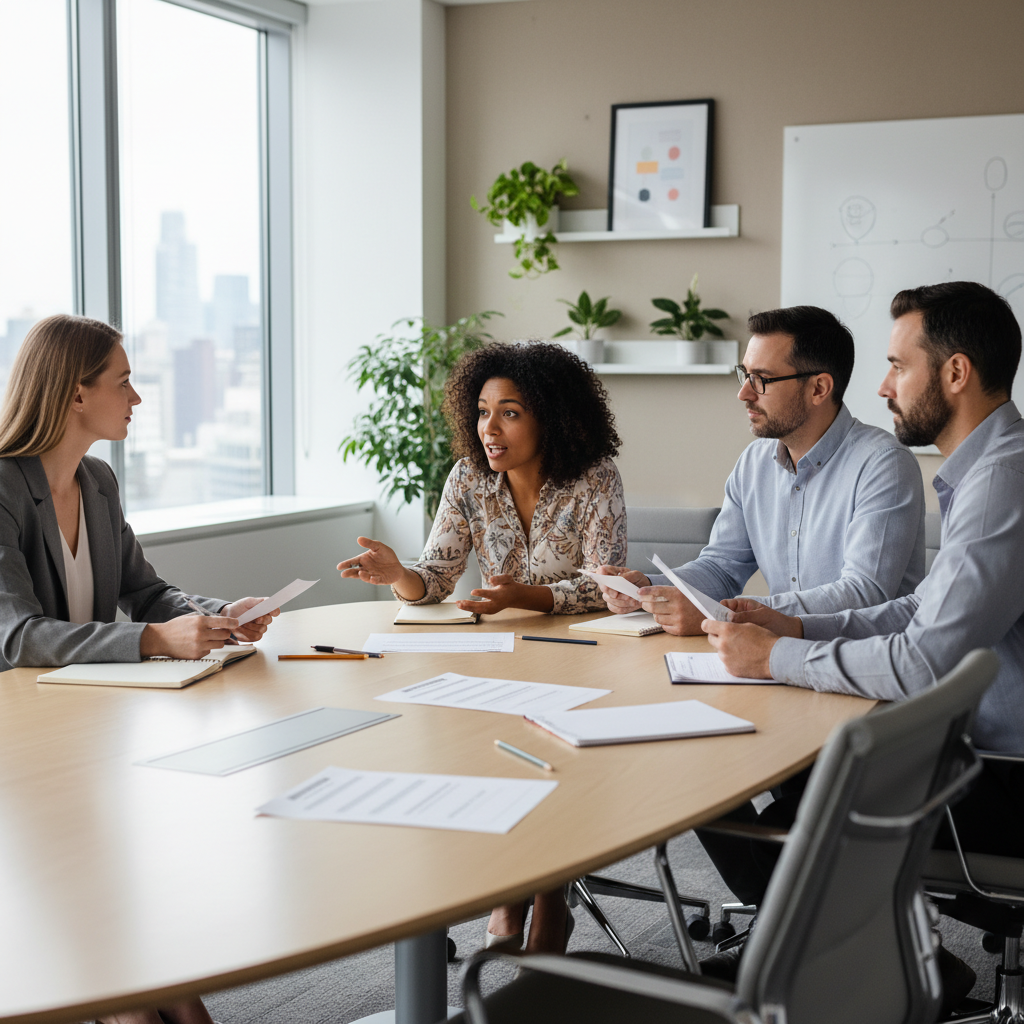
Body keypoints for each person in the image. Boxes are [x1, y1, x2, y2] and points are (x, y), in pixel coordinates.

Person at [702, 282, 1024, 1008]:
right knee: (786, 785)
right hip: (982, 755)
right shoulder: (988, 471)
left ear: (955, 373)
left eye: (896, 366)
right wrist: (798, 626)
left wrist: (775, 657)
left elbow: (922, 661)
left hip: (1004, 775)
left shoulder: (1004, 480)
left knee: (789, 801)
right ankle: (893, 962)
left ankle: (849, 974)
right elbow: (921, 607)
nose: (880, 386)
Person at [0, 314, 279, 1024]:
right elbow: (15, 635)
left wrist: (217, 615)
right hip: (21, 744)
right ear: (73, 394)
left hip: (88, 733)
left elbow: (146, 591)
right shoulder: (2, 490)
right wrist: (155, 640)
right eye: (124, 381)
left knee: (137, 921)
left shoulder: (96, 481)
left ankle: (152, 993)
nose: (138, 398)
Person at [338, 340, 626, 953]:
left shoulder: (594, 477)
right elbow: (434, 580)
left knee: (552, 753)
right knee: (482, 750)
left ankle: (548, 898)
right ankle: (509, 891)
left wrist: (530, 595)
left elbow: (606, 583)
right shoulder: (470, 478)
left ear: (551, 417)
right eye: (482, 411)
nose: (489, 428)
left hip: (584, 654)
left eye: (511, 413)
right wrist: (398, 574)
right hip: (505, 651)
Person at [596, 305, 925, 634]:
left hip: (863, 662)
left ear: (819, 389)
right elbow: (722, 569)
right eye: (745, 375)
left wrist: (731, 614)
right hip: (775, 654)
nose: (744, 393)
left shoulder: (885, 465)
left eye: (762, 380)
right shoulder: (754, 463)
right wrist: (650, 589)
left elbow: (864, 594)